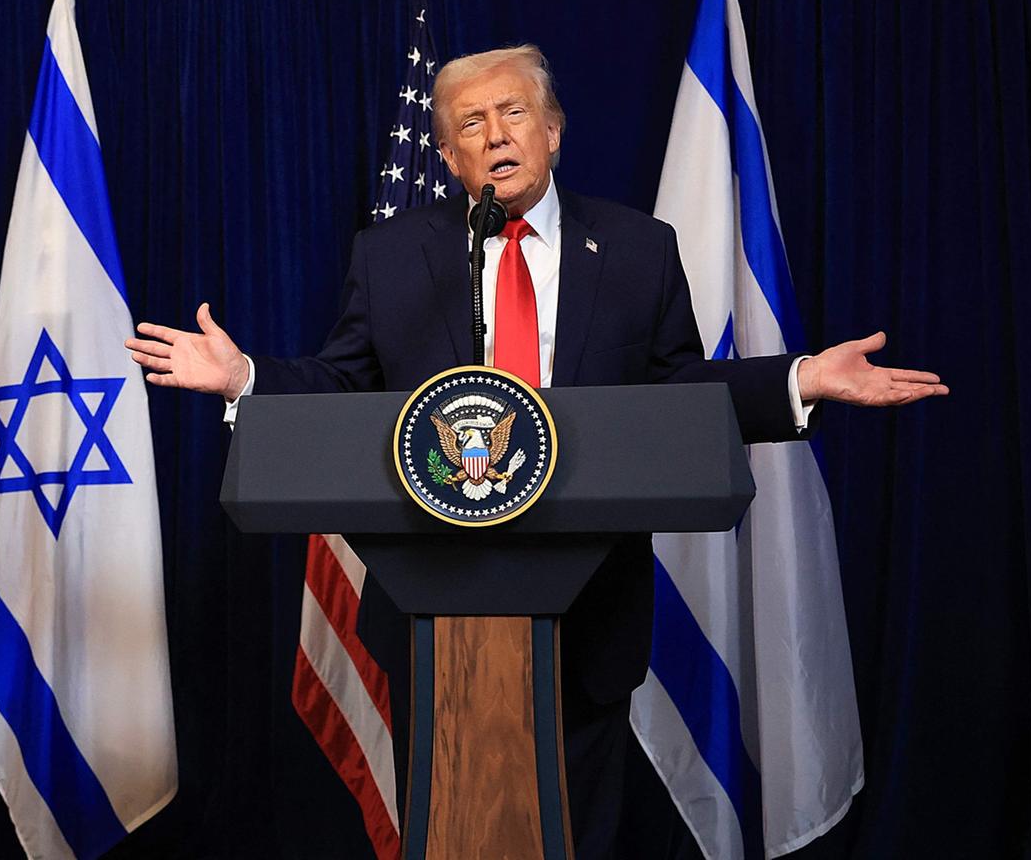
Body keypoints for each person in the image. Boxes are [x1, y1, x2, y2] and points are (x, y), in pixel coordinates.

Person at [124, 44, 945, 859]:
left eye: (513, 112)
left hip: (588, 604)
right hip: (430, 603)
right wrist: (248, 379)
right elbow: (345, 386)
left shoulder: (636, 249)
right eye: (470, 124)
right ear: (447, 156)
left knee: (576, 832)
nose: (494, 134)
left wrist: (801, 378)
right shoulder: (391, 255)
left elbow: (682, 395)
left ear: (552, 131)